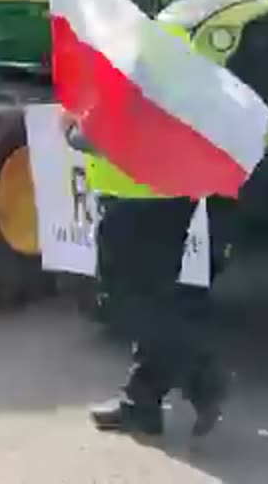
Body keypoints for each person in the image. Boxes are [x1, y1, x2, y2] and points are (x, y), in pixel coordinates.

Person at [64, 114, 227, 438]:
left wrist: (71, 129)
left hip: (135, 197)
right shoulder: (178, 69)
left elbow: (104, 137)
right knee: (157, 297)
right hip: (174, 192)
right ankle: (142, 403)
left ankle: (203, 380)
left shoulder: (129, 69)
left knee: (129, 302)